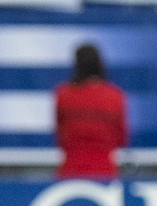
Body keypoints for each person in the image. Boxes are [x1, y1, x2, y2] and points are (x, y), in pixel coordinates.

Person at [53, 43, 127, 179]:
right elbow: (121, 137)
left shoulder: (63, 94)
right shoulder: (114, 95)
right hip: (105, 172)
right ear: (100, 65)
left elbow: (60, 135)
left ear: (76, 66)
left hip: (71, 170)